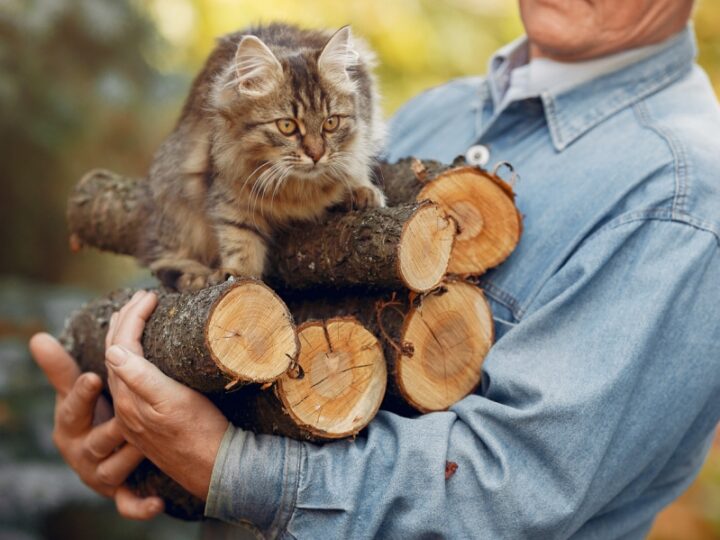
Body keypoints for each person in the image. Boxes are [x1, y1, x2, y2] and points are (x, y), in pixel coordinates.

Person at [30, 0, 720, 537]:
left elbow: (512, 496)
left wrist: (231, 469)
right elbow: (257, 328)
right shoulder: (431, 112)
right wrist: (132, 434)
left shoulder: (680, 200)